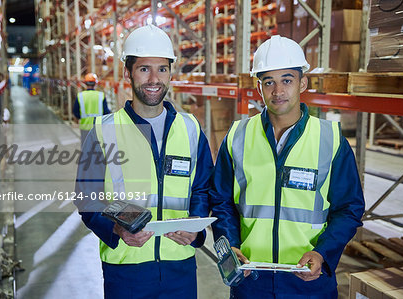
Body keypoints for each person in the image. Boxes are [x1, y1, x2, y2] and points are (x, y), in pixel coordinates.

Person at [210, 35, 365, 298]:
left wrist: (323, 254)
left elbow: (349, 208)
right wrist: (230, 245)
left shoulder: (330, 139)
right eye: (268, 82)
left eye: (287, 80)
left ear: (302, 83)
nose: (278, 91)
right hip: (251, 279)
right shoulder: (238, 136)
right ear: (259, 88)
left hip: (308, 281)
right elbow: (221, 201)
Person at [74, 24, 213, 299]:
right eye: (144, 69)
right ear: (128, 73)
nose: (154, 78)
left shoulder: (190, 128)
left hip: (180, 267)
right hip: (127, 270)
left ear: (171, 73)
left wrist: (196, 229)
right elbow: (86, 197)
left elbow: (203, 187)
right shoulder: (103, 130)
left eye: (162, 69)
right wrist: (115, 229)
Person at [73, 72, 111, 144]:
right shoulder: (101, 95)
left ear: (85, 83)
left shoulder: (80, 96)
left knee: (86, 150)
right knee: (98, 150)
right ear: (95, 83)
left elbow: (76, 112)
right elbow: (106, 112)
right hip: (98, 129)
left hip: (84, 128)